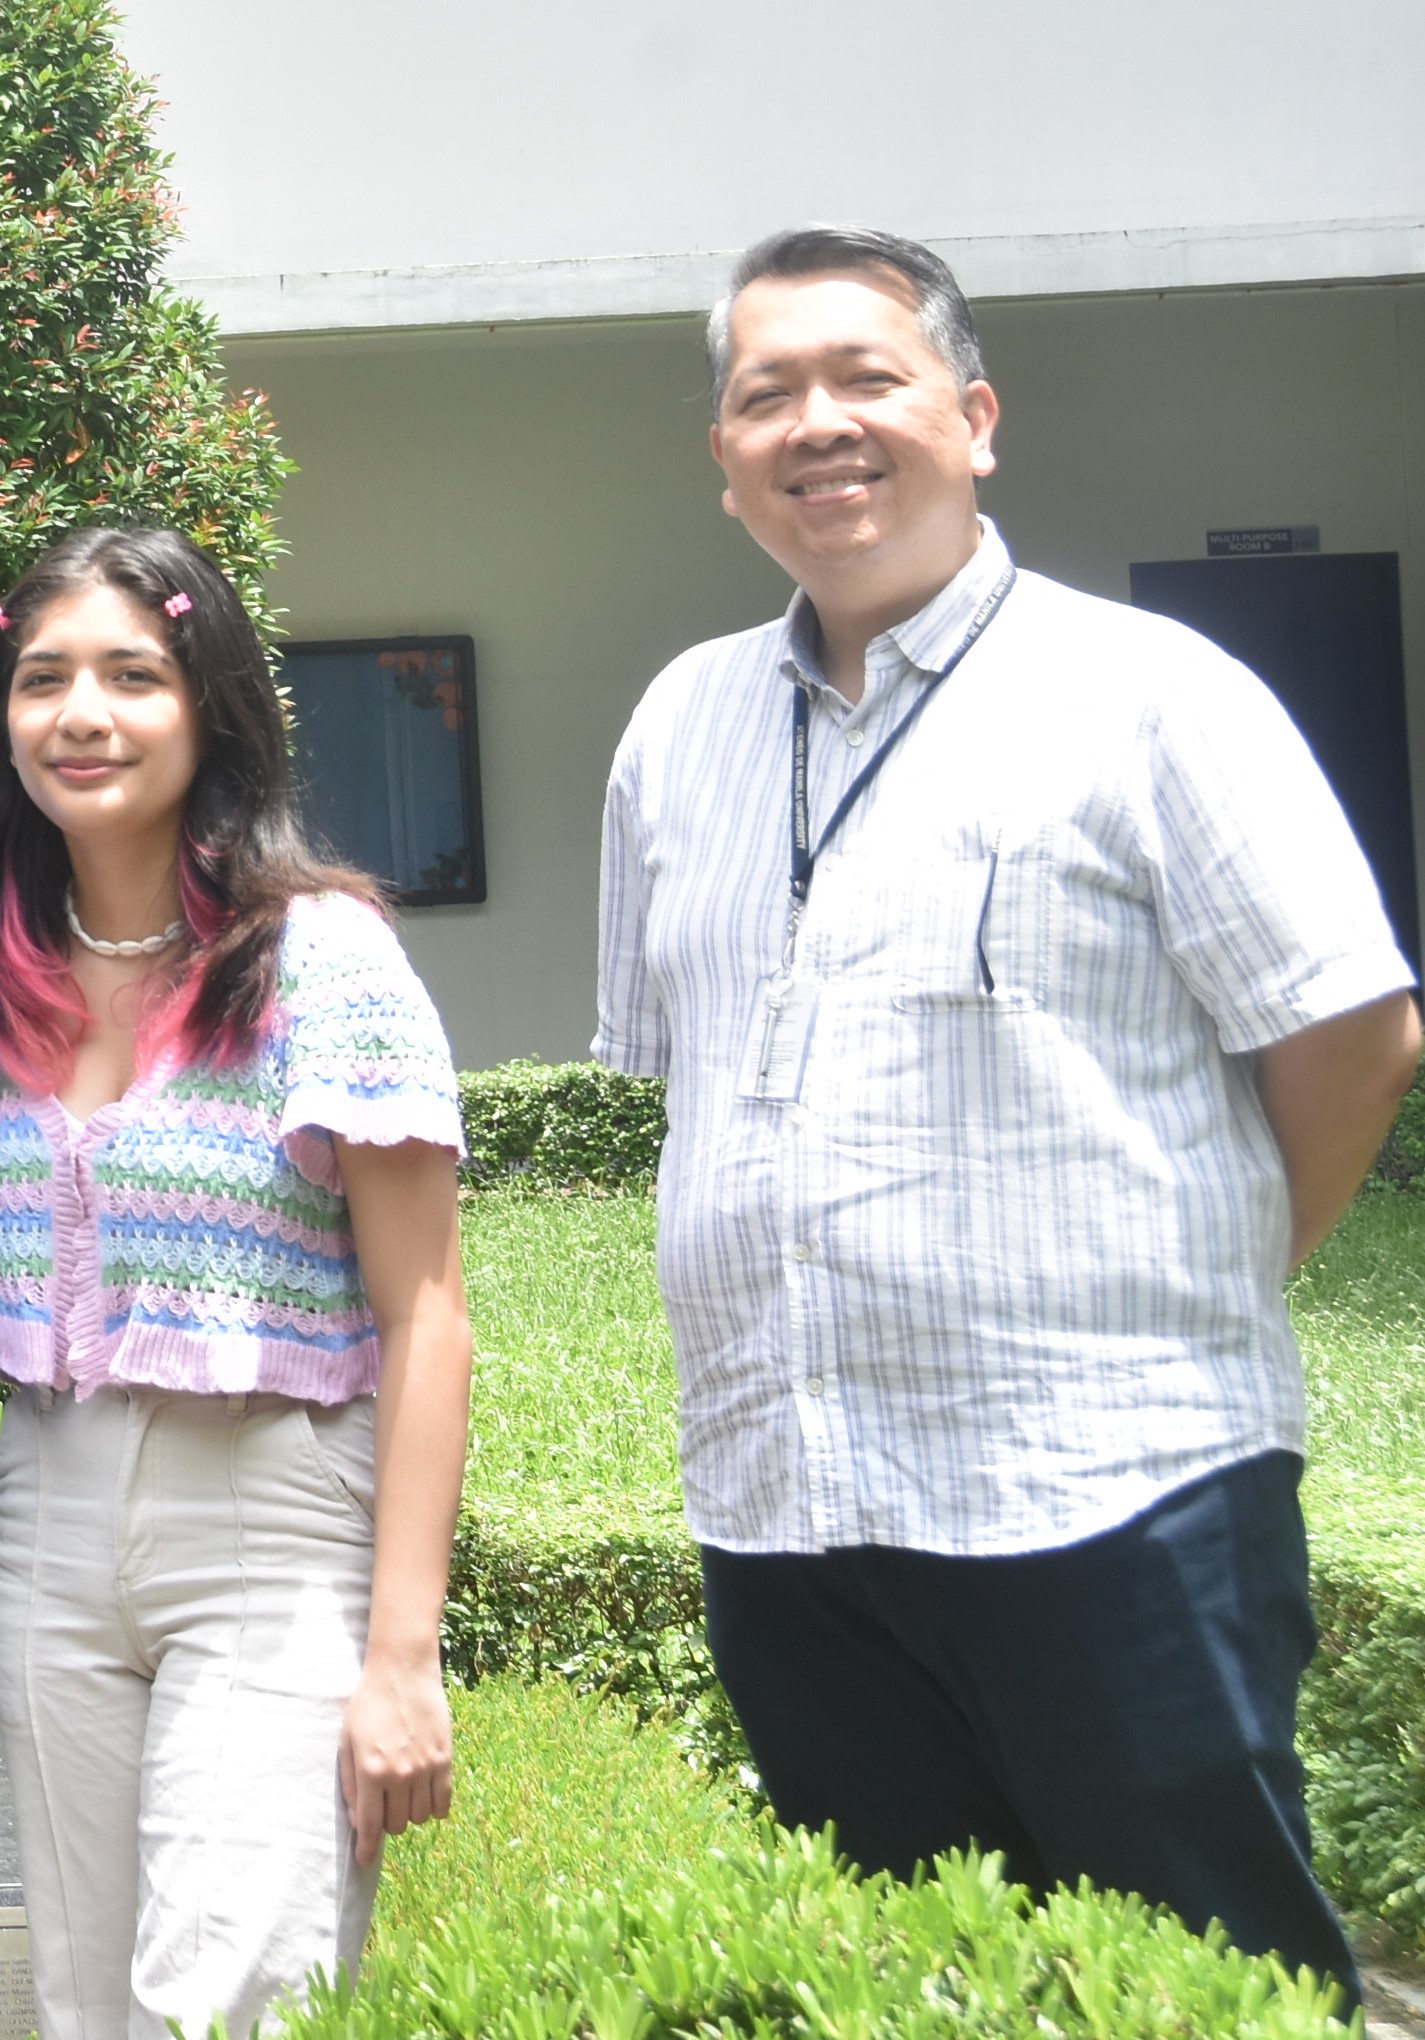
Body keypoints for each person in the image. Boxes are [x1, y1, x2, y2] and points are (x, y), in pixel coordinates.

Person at [596, 224, 1417, 2012]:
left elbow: (1349, 1036)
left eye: (864, 377)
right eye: (765, 394)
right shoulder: (675, 730)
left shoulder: (1149, 695)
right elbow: (688, 1071)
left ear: (971, 419)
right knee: (912, 1989)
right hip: (789, 1504)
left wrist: (1215, 1269)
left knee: (1205, 1986)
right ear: (723, 461)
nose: (817, 422)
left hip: (1109, 1487)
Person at [0, 527, 475, 2038]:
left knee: (228, 2006)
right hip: (48, 1516)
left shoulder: (322, 960)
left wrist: (399, 1662)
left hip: (264, 1519)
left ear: (209, 705)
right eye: (40, 679)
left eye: (131, 674)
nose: (80, 714)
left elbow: (423, 1313)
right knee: (90, 2009)